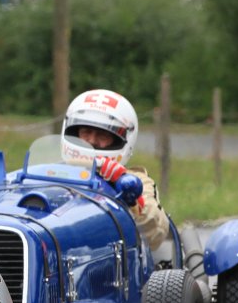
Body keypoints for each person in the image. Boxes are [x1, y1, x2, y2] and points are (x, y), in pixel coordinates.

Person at [60, 88, 176, 263]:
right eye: (85, 132)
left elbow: (155, 233)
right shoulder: (52, 172)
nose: (92, 141)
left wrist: (128, 196)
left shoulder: (136, 181)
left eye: (102, 135)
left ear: (120, 140)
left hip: (111, 262)